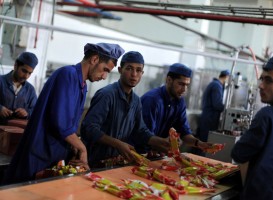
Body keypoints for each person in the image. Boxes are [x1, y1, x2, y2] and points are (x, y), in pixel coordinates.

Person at [2, 42, 124, 185]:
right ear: (94, 59)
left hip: (53, 156)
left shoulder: (82, 86)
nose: (104, 76)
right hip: (38, 154)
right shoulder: (68, 75)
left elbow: (70, 125)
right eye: (105, 70)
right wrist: (81, 147)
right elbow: (61, 124)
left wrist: (73, 146)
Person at [80, 51, 170, 168]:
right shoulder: (107, 95)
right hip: (94, 162)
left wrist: (162, 141)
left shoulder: (136, 101)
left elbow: (141, 131)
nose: (134, 74)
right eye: (129, 68)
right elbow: (89, 128)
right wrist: (118, 144)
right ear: (120, 70)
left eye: (138, 70)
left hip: (116, 163)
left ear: (142, 73)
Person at [231, 55, 273, 200]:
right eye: (262, 79)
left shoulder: (268, 115)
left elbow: (238, 154)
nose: (261, 85)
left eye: (269, 81)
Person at [139, 63, 212, 154]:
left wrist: (199, 144)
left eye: (187, 85)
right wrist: (174, 153)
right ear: (169, 80)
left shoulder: (179, 102)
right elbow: (145, 137)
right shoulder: (152, 100)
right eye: (181, 84)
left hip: (157, 153)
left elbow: (184, 132)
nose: (184, 89)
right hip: (140, 152)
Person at [0, 52, 38, 125]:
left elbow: (36, 111)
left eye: (30, 73)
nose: (26, 76)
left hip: (17, 134)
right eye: (24, 71)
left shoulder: (30, 90)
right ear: (15, 66)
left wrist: (27, 112)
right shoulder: (1, 82)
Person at [196, 69, 230, 144]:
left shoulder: (214, 84)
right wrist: (228, 110)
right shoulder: (217, 86)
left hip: (208, 118)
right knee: (204, 145)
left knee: (202, 143)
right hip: (209, 119)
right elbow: (217, 104)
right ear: (226, 77)